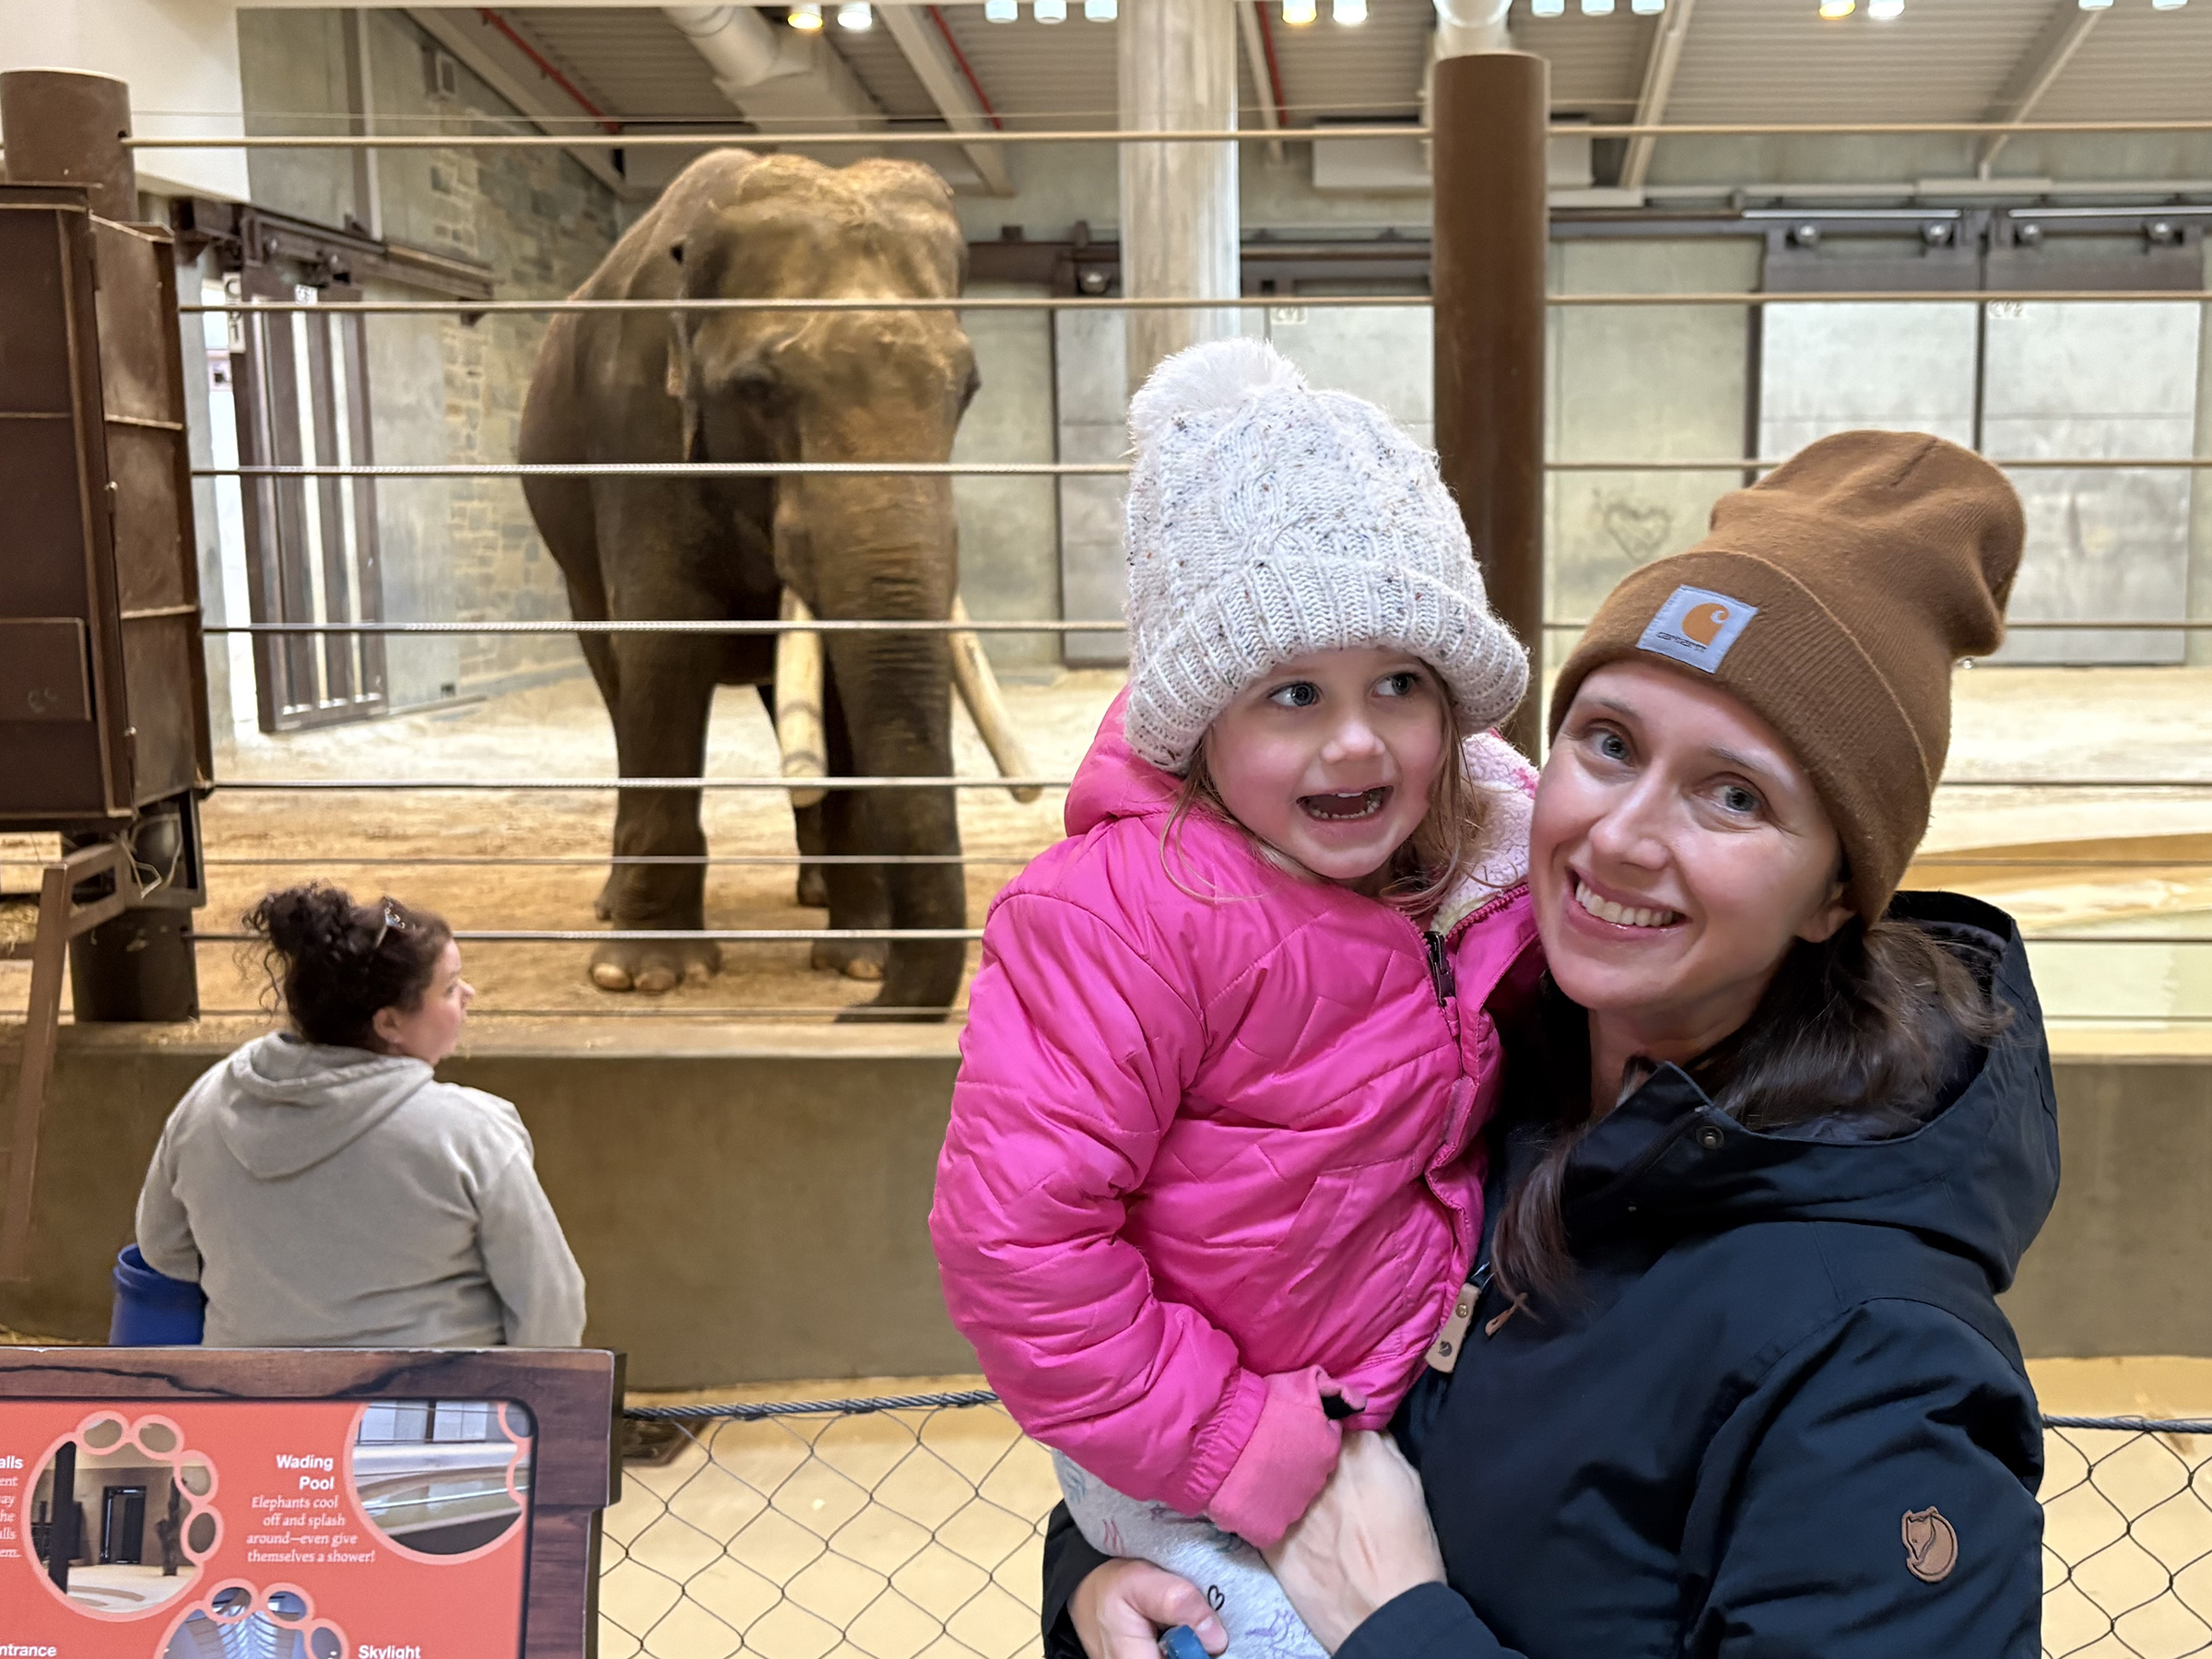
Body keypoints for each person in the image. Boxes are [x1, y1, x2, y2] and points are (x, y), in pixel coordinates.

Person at [1048, 430, 2058, 1659]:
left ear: (1838, 893)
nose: (1623, 836)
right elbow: (1237, 1399)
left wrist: (1399, 1630)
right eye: (1612, 743)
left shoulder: (1872, 1356)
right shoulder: (1471, 1081)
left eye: (1733, 794)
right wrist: (1108, 1581)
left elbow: (1362, 1574)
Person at [931, 337, 1539, 1658]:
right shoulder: (1123, 919)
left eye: (1401, 683)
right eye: (1291, 694)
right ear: (1200, 723)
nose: (1359, 738)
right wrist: (1234, 1447)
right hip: (1189, 1443)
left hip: (1364, 1401)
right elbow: (1017, 1249)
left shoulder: (1476, 868)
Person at [134, 884, 587, 1348]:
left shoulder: (206, 1102)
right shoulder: (471, 1133)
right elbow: (551, 1304)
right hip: (429, 1408)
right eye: (450, 988)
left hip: (253, 1404)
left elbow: (162, 1249)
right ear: (388, 1023)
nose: (468, 994)